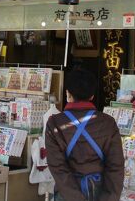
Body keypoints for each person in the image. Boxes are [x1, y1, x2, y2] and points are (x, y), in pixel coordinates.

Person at [45, 68, 124, 201]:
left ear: (68, 94)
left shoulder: (55, 123)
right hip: (99, 193)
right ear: (92, 96)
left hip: (67, 196)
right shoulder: (107, 122)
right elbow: (116, 167)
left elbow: (58, 169)